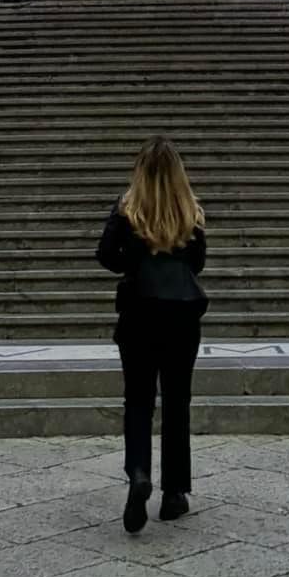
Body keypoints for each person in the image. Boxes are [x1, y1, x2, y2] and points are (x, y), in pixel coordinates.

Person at [96, 136, 208, 534]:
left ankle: (139, 472)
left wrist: (135, 257)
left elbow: (106, 255)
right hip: (181, 315)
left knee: (139, 400)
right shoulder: (188, 209)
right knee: (177, 401)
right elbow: (198, 261)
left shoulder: (128, 208)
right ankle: (174, 493)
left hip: (139, 312)